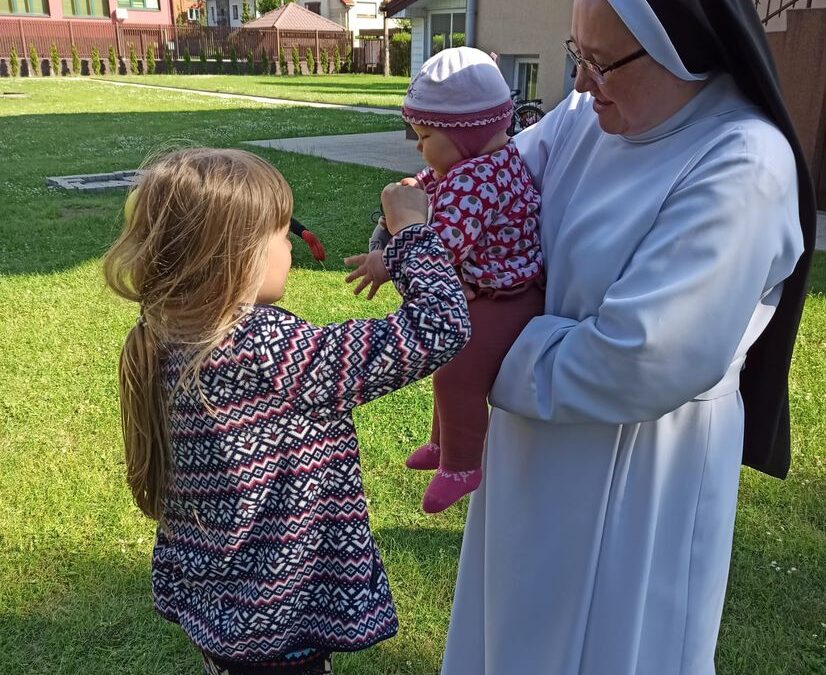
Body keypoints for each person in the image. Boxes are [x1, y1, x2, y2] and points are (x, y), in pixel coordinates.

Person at [433, 0, 817, 673]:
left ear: (680, 48)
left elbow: (637, 358)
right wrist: (426, 219)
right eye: (576, 54)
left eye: (602, 63)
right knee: (510, 629)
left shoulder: (742, 161)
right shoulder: (587, 116)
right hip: (530, 445)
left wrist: (478, 346)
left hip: (642, 466)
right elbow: (492, 187)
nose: (580, 83)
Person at [102, 148, 470, 675]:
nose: (290, 246)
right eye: (280, 234)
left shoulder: (168, 330)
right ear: (237, 255)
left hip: (224, 616)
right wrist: (412, 231)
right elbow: (440, 326)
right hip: (279, 624)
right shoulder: (269, 350)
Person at [345, 47, 544, 513]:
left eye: (425, 137)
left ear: (464, 134)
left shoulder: (474, 181)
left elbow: (442, 248)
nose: (419, 148)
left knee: (457, 373)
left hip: (506, 299)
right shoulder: (484, 161)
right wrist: (416, 185)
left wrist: (384, 261)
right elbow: (432, 179)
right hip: (492, 288)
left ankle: (461, 465)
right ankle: (442, 441)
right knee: (446, 362)